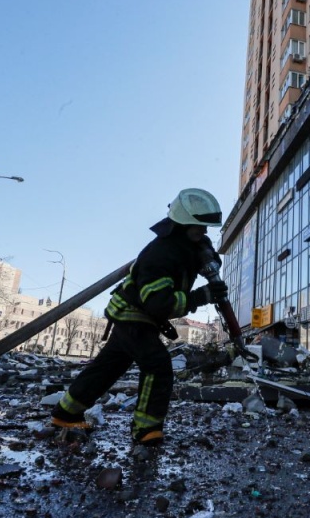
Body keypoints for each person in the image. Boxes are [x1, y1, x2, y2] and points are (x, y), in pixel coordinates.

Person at [49, 188, 229, 446]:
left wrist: (208, 259)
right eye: (199, 228)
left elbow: (205, 255)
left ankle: (65, 413)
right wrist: (201, 296)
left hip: (136, 317)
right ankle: (146, 430)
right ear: (182, 225)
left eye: (205, 229)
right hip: (134, 315)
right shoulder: (161, 254)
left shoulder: (189, 244)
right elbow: (159, 304)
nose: (204, 234)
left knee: (106, 369)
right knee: (157, 365)